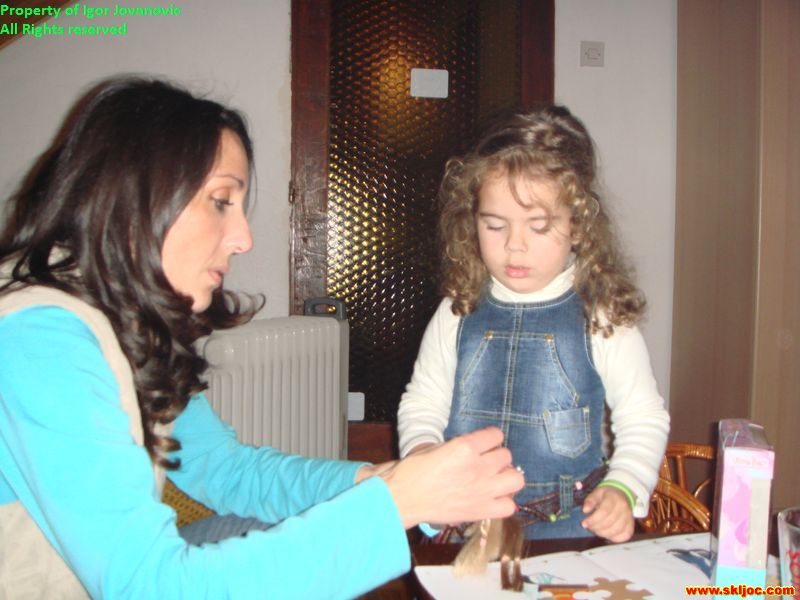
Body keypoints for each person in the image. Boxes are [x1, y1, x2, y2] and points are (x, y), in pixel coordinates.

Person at [0, 77, 524, 599]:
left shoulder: (132, 325)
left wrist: (378, 480)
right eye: (220, 200)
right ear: (136, 196)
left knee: (285, 533)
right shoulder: (41, 339)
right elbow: (150, 587)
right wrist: (397, 501)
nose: (243, 238)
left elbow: (225, 471)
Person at [397, 105, 670, 542]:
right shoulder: (457, 309)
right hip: (464, 528)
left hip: (569, 533)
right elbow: (423, 402)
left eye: (539, 226)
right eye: (495, 226)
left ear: (578, 226)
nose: (515, 246)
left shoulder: (600, 314)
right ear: (472, 221)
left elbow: (642, 416)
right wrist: (423, 454)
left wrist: (625, 486)